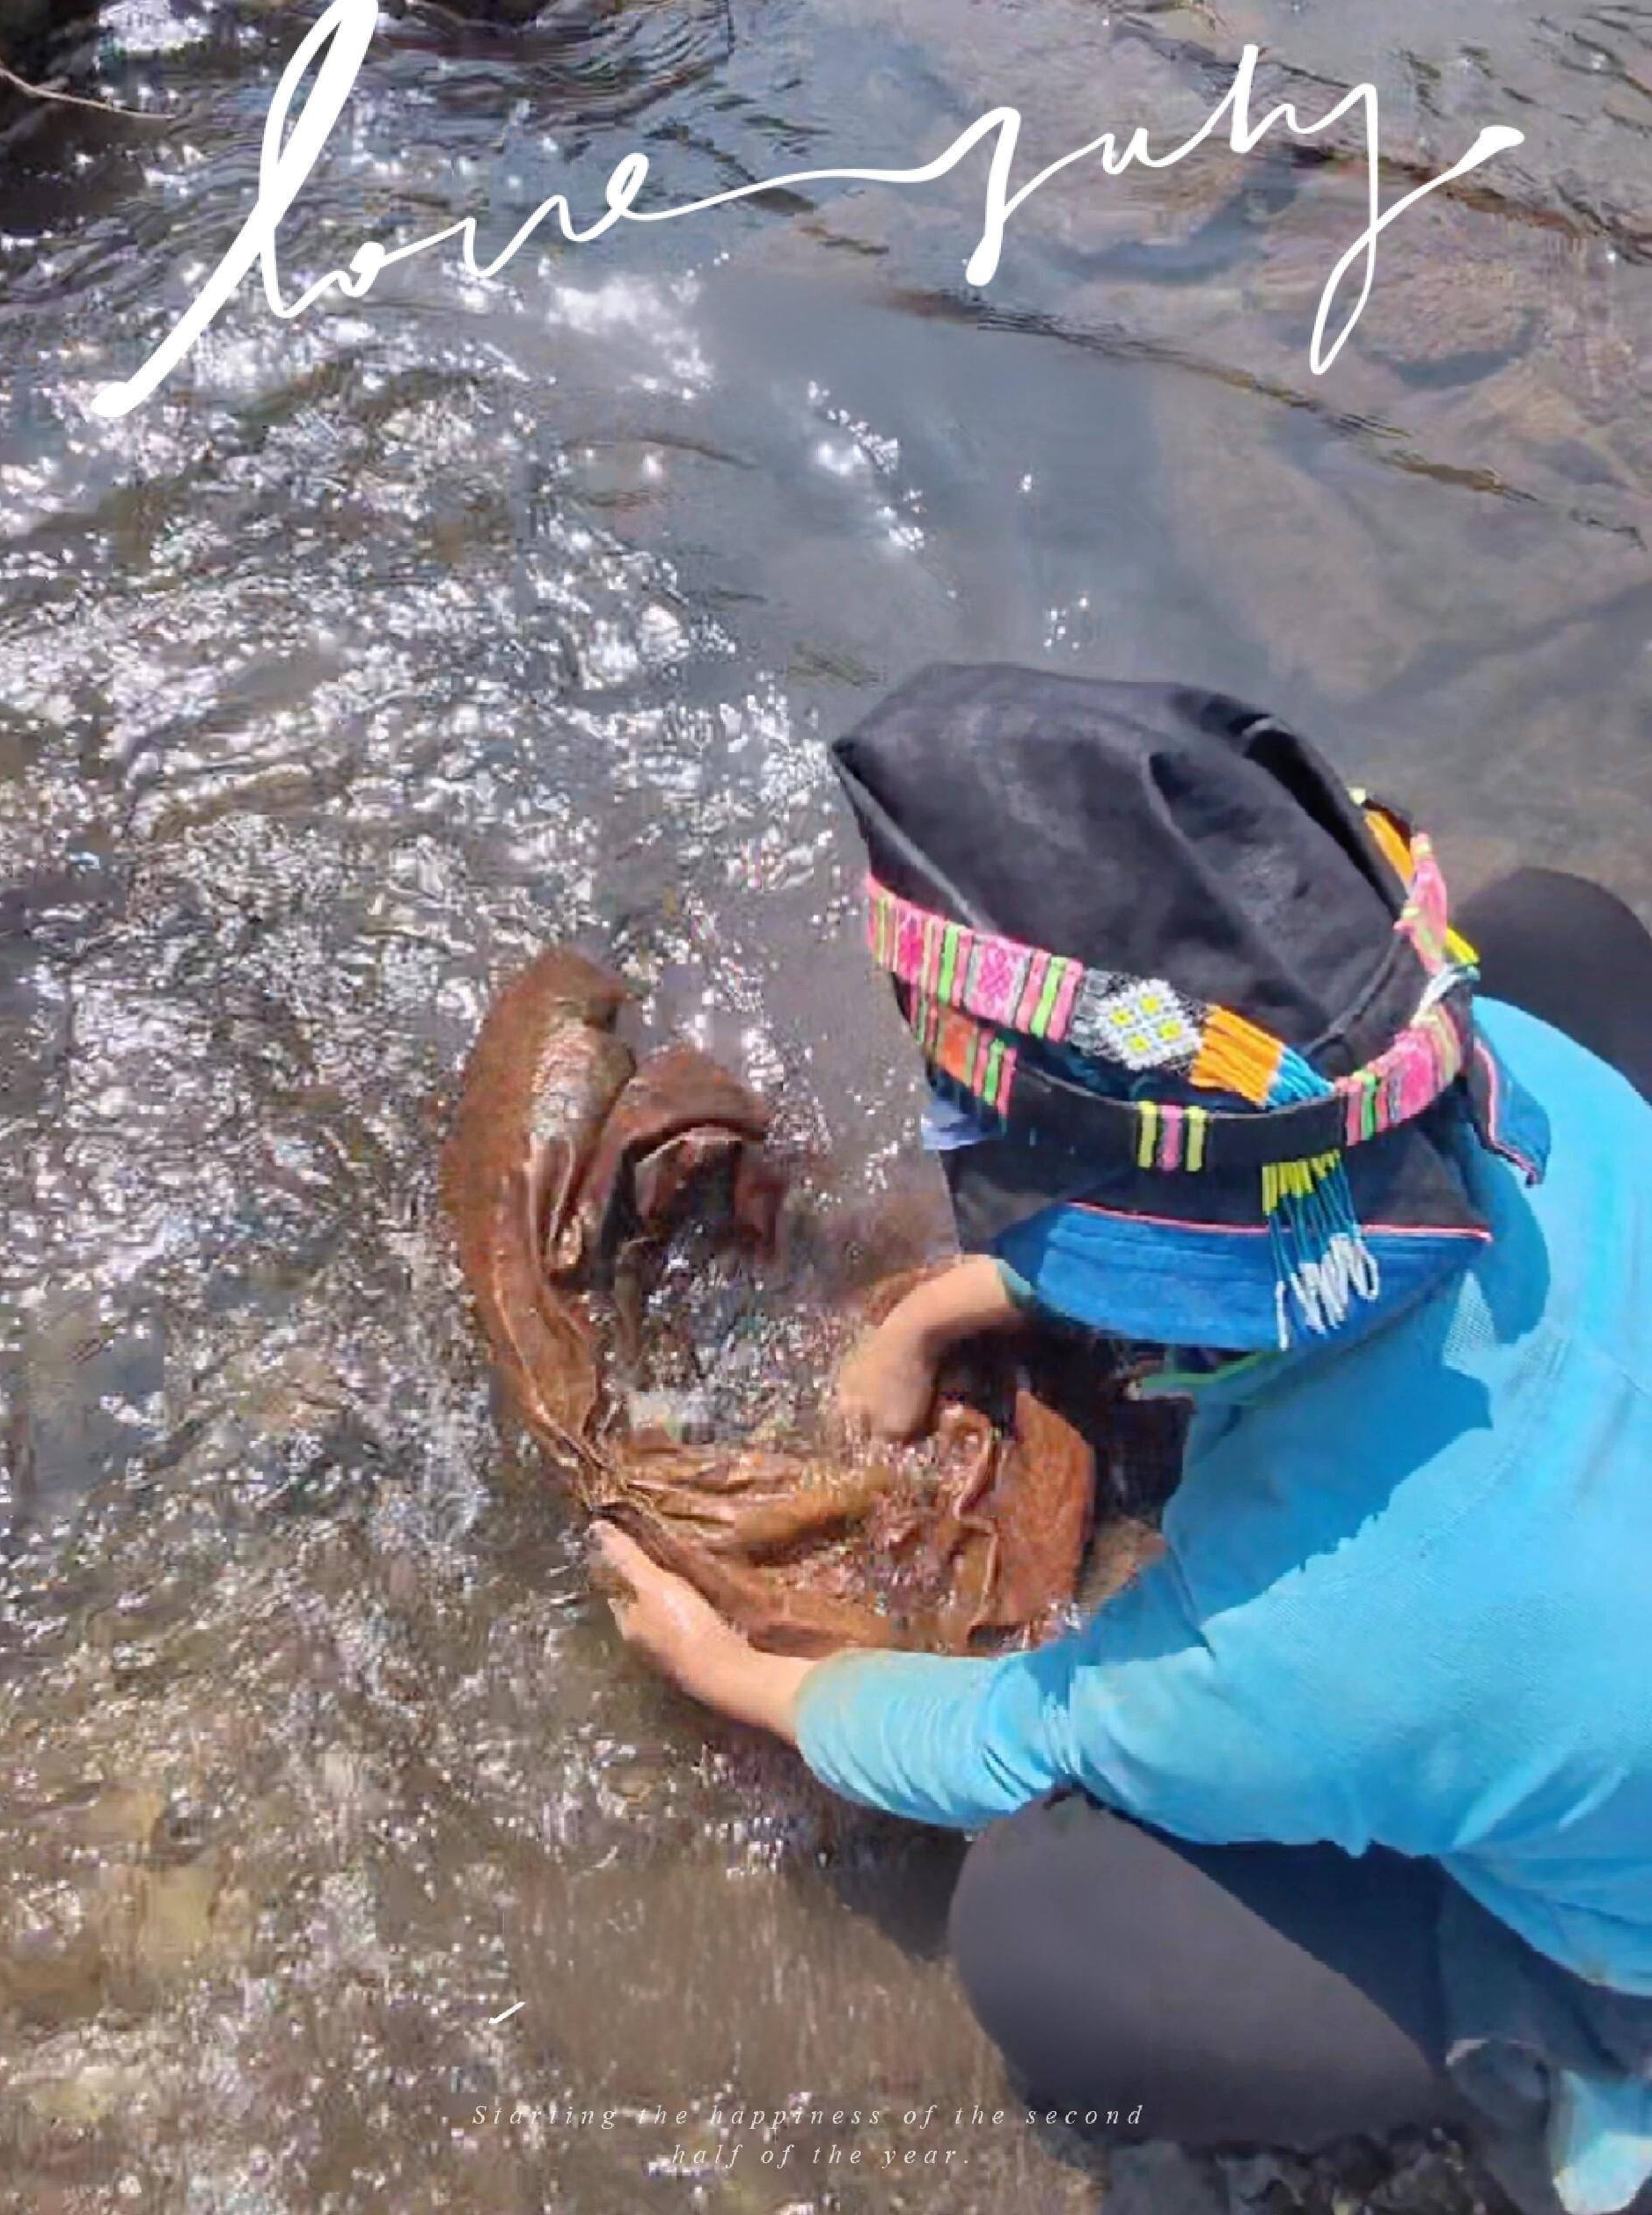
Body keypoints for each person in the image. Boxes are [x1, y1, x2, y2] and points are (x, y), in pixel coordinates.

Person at [593, 666, 1652, 2215]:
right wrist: (939, 1308)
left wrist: (736, 1668)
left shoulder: (1303, 1645)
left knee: (1043, 1928)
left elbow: (1012, 1731)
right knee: (1555, 931)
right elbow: (1281, 1160)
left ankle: (1551, 2066)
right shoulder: (1546, 1092)